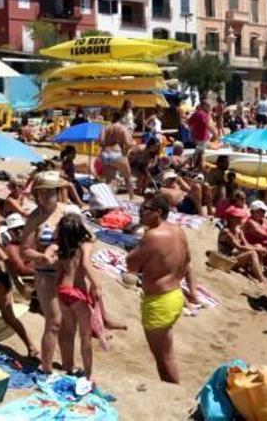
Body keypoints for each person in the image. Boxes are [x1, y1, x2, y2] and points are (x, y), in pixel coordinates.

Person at [126, 196, 194, 384]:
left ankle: (173, 390)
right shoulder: (178, 231)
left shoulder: (153, 235)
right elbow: (187, 261)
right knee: (166, 351)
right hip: (174, 295)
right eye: (141, 208)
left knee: (163, 356)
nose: (142, 212)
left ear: (159, 212)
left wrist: (136, 247)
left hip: (159, 301)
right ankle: (172, 387)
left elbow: (131, 263)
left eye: (147, 209)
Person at [20, 171, 68, 374]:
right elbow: (24, 250)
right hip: (45, 273)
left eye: (51, 191)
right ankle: (46, 366)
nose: (47, 195)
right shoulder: (35, 217)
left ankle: (68, 363)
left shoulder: (67, 211)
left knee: (68, 323)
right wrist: (42, 256)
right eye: (43, 192)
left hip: (67, 273)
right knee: (54, 321)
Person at [47, 214, 102, 378]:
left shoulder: (61, 248)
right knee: (85, 336)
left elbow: (58, 273)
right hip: (77, 293)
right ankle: (88, 374)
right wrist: (97, 284)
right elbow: (86, 262)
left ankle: (68, 366)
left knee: (68, 331)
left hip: (63, 290)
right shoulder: (85, 246)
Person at [218, 206, 265, 282]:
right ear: (230, 218)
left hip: (234, 255)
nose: (239, 219)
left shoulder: (238, 229)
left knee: (258, 245)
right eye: (237, 217)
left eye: (240, 217)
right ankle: (261, 278)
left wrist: (257, 247)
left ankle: (257, 272)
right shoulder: (227, 232)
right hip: (226, 260)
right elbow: (239, 247)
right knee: (252, 253)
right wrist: (257, 249)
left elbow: (245, 243)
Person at [98, 112, 135, 198]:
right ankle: (132, 198)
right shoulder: (122, 128)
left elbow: (101, 141)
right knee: (128, 178)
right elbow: (129, 144)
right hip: (117, 152)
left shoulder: (105, 128)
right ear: (121, 118)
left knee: (109, 180)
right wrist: (125, 152)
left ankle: (108, 199)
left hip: (105, 153)